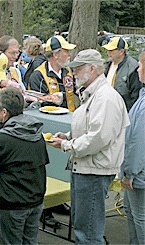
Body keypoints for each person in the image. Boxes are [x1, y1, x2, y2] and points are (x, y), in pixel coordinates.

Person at [48, 49, 130, 244]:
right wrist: (67, 136)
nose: (73, 73)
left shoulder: (105, 98)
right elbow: (90, 127)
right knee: (83, 227)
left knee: (88, 232)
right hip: (86, 168)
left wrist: (67, 144)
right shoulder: (94, 94)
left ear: (93, 69)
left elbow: (98, 138)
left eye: (78, 69)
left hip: (94, 171)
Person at [0, 87, 48, 244]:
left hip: (13, 204)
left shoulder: (2, 140)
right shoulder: (36, 132)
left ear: (4, 112)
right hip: (36, 201)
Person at [119, 51, 145, 245]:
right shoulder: (142, 96)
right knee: (131, 211)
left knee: (140, 216)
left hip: (138, 174)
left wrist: (130, 172)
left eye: (141, 65)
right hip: (136, 171)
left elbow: (138, 141)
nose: (137, 69)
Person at [29, 35, 77, 111]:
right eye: (66, 51)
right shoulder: (38, 75)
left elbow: (79, 93)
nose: (69, 54)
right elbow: (40, 103)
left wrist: (63, 97)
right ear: (56, 55)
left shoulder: (70, 71)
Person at [102, 36, 142, 111]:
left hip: (124, 112)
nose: (108, 52)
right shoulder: (108, 65)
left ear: (121, 52)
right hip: (107, 109)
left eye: (112, 50)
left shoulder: (133, 68)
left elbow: (135, 96)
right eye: (107, 50)